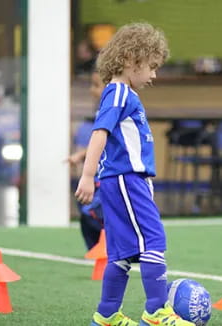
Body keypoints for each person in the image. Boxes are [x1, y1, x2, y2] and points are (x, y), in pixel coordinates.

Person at [75, 23, 195, 326]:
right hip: (126, 180)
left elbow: (113, 139)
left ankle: (106, 315)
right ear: (131, 59)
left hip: (125, 181)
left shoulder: (120, 94)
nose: (153, 75)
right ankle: (156, 311)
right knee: (153, 241)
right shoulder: (118, 92)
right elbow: (99, 132)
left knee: (122, 253)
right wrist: (87, 176)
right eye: (151, 67)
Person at [68, 72, 105, 250]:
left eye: (96, 85)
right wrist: (81, 155)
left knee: (92, 212)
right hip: (99, 174)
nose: (92, 90)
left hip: (109, 175)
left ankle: (107, 248)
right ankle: (95, 250)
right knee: (86, 210)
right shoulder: (101, 111)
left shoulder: (112, 111)